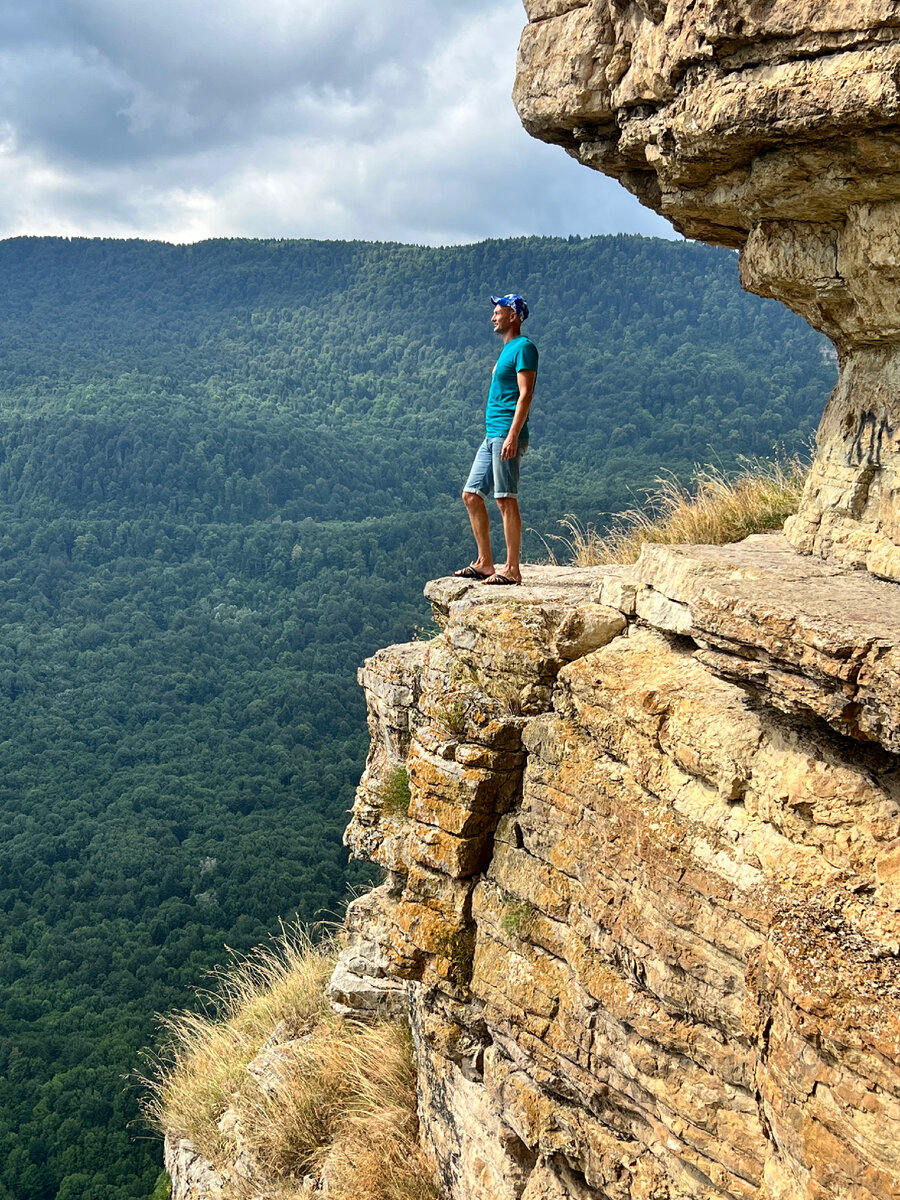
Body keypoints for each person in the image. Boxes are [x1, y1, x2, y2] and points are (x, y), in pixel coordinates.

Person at [455, 293, 538, 585]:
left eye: (498, 312)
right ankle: (485, 563)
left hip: (506, 433)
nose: (493, 317)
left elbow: (525, 394)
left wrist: (513, 434)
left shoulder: (524, 348)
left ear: (513, 316)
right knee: (471, 495)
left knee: (505, 499)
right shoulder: (507, 349)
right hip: (492, 434)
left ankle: (512, 569)